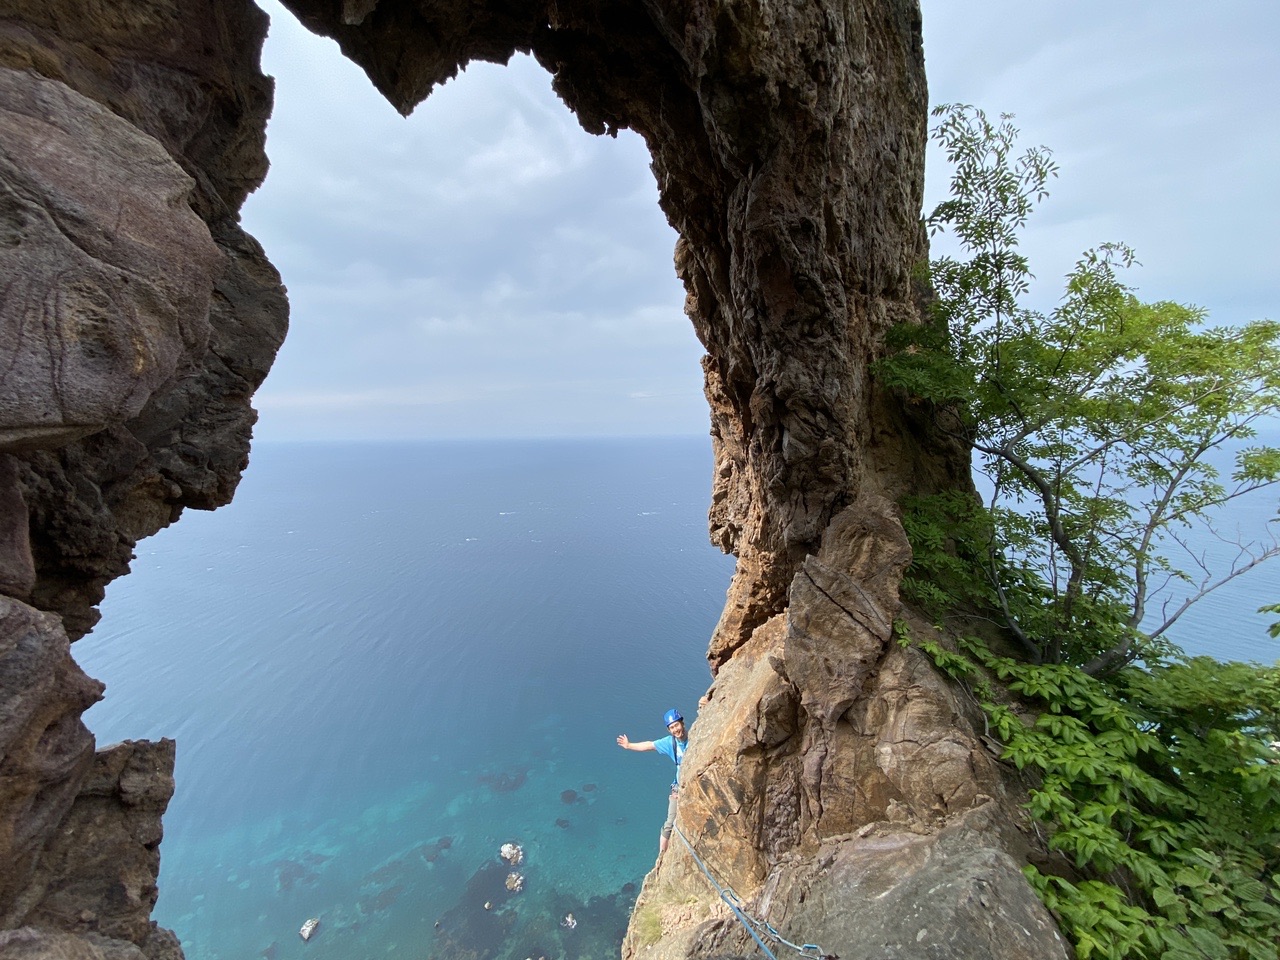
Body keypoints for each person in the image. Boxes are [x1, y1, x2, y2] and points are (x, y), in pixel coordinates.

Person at [617, 709, 689, 854]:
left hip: (692, 783)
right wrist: (629, 745)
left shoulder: (696, 736)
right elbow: (650, 745)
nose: (675, 730)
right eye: (672, 727)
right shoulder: (670, 743)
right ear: (669, 730)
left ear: (682, 723)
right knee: (669, 824)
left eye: (677, 725)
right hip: (679, 787)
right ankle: (662, 857)